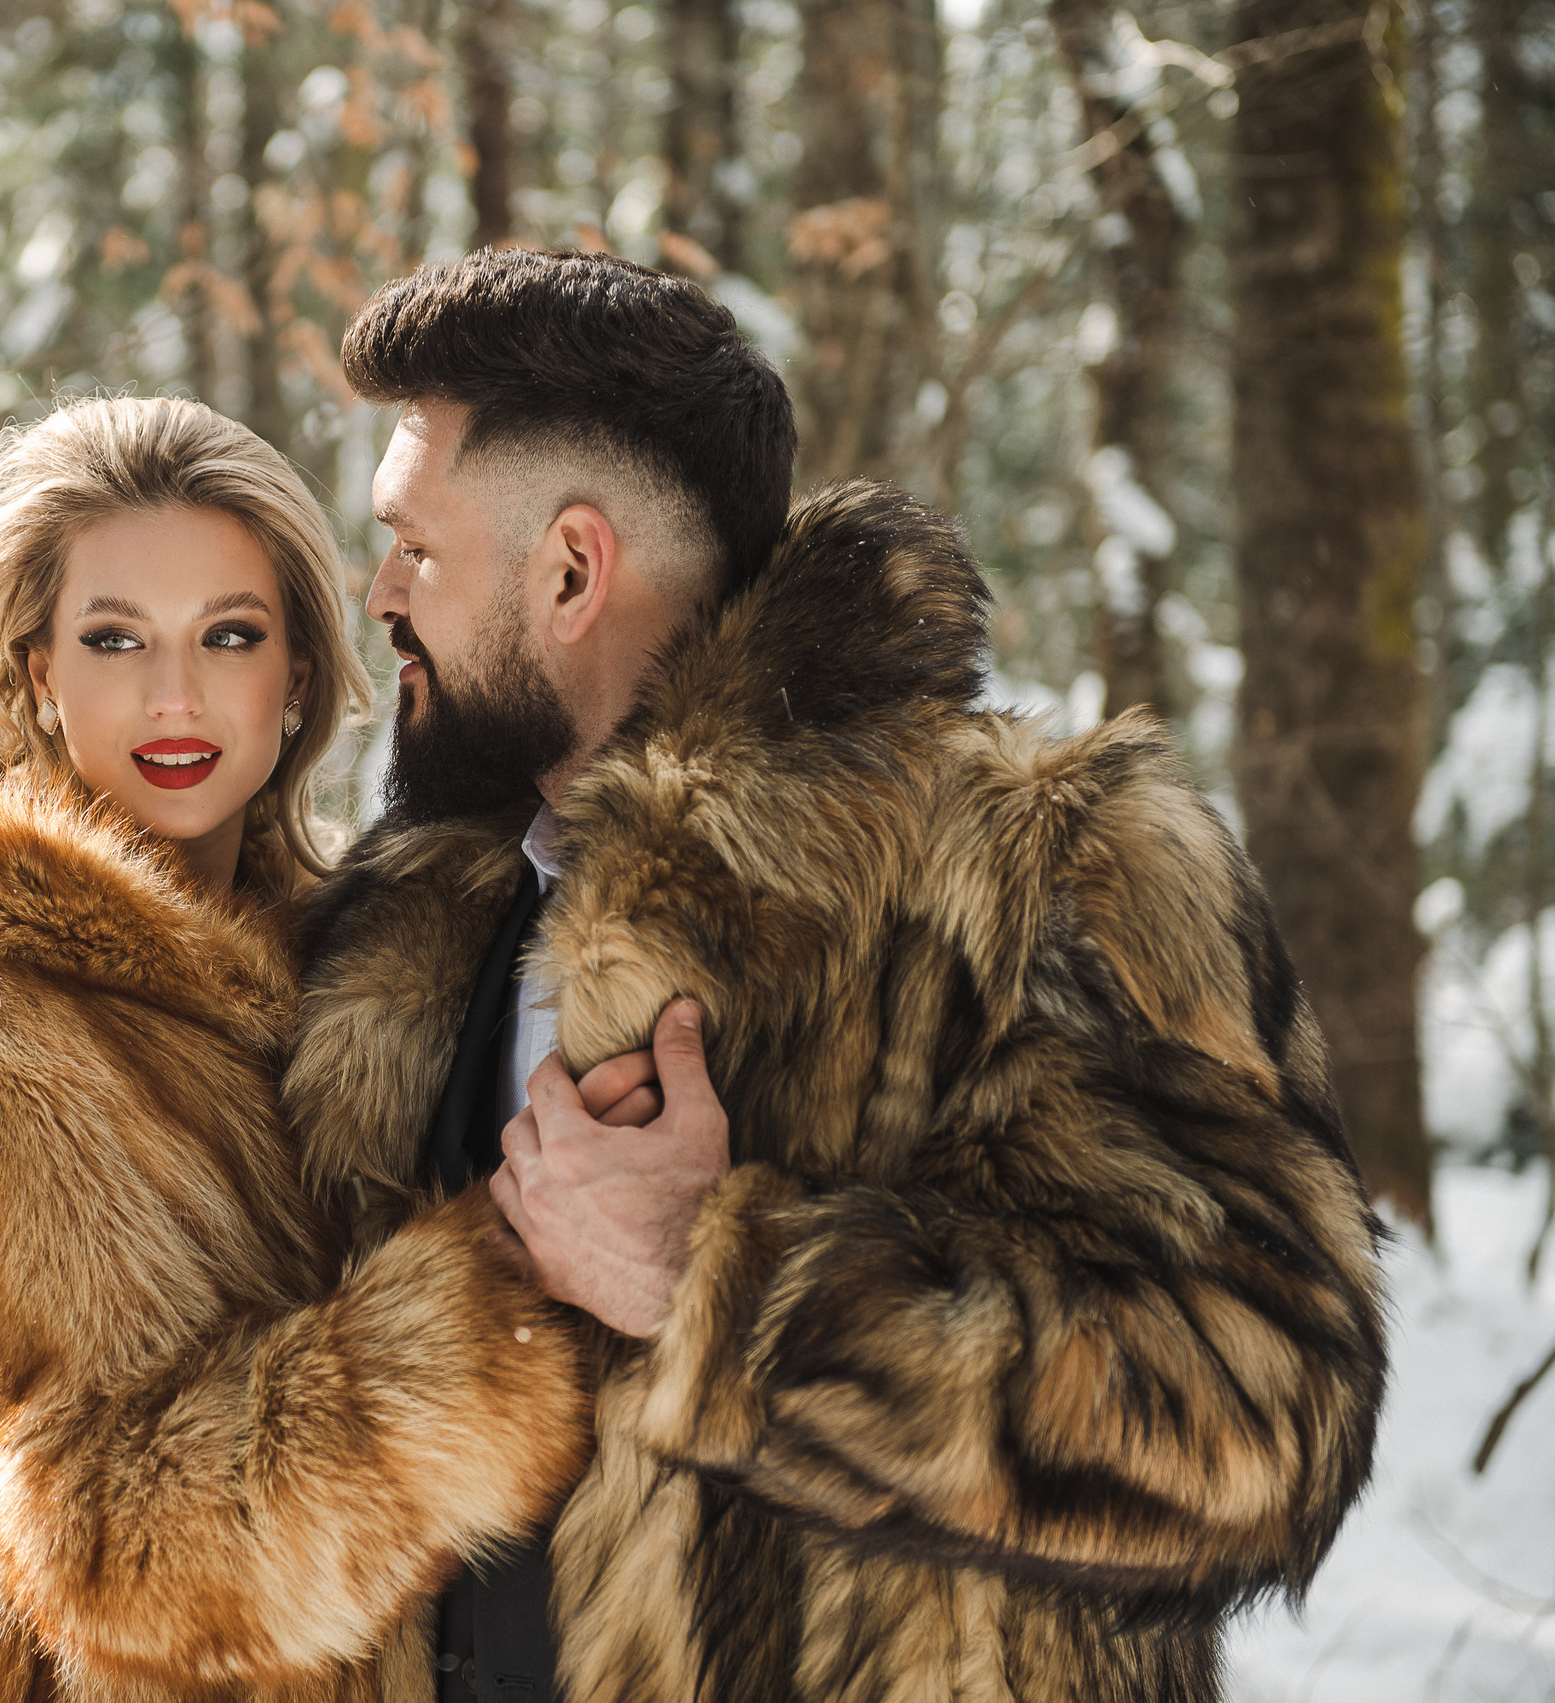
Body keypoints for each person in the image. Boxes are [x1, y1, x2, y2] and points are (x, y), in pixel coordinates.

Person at [277, 247, 1390, 1702]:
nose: (379, 592)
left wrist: (717, 1286)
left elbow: (1268, 1413)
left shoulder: (1039, 869)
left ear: (569, 570)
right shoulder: (419, 922)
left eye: (414, 546)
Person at [0, 396, 603, 1703]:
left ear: (296, 678)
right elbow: (126, 1544)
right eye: (114, 640)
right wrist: (510, 1310)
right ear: (39, 673)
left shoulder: (354, 949)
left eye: (230, 636)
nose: (175, 698)